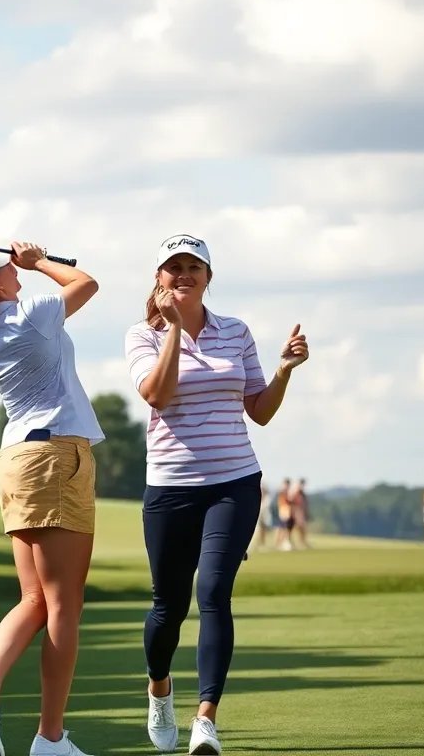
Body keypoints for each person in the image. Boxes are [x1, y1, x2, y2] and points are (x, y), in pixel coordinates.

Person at [123, 234, 308, 755]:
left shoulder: (236, 331)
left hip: (235, 483)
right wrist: (176, 330)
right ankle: (159, 690)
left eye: (192, 267)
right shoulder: (143, 334)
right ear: (159, 278)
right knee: (168, 605)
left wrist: (283, 371)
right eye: (173, 267)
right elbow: (157, 394)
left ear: (208, 276)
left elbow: (260, 410)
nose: (183, 275)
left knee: (214, 595)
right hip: (171, 487)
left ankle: (206, 720)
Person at [0, 241, 103, 756]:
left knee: (36, 599)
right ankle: (50, 738)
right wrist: (39, 260)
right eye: (6, 268)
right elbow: (86, 284)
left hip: (17, 460)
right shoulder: (34, 315)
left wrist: (20, 265)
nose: (14, 269)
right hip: (57, 456)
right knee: (64, 605)